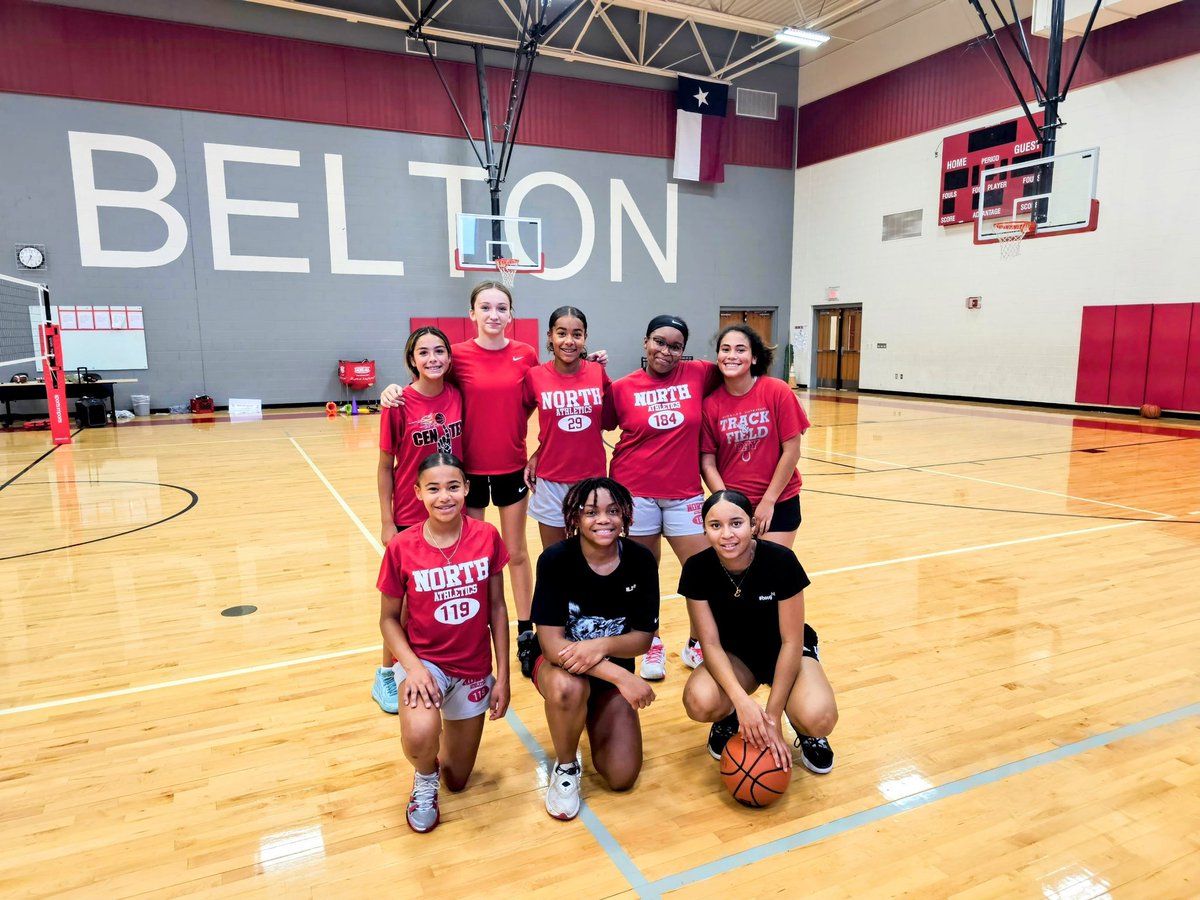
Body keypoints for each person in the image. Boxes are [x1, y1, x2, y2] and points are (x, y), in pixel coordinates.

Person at [381, 282, 540, 679]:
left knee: (516, 552)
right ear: (471, 314)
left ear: (510, 313)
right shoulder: (457, 358)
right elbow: (427, 382)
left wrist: (538, 453)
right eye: (484, 307)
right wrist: (392, 391)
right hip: (464, 475)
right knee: (475, 560)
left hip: (511, 466)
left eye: (501, 307)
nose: (493, 314)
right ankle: (477, 634)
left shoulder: (526, 355)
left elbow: (550, 399)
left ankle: (525, 632)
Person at [377, 452, 511, 834]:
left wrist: (502, 677)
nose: (444, 496)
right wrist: (414, 668)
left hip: (472, 670)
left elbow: (498, 609)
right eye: (433, 488)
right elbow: (388, 620)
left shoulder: (486, 536)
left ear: (467, 488)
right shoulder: (402, 547)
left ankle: (439, 764)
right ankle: (423, 777)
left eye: (453, 486)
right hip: (426, 663)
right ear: (418, 492)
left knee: (457, 778)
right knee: (421, 736)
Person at [678, 489, 837, 776]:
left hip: (787, 651)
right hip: (736, 656)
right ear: (704, 530)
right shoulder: (696, 569)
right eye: (716, 526)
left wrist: (772, 718)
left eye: (736, 523)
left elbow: (791, 641)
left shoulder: (781, 560)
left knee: (819, 716)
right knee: (699, 700)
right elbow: (710, 644)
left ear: (753, 525)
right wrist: (742, 703)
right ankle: (728, 716)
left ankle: (805, 726)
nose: (727, 534)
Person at [531, 477, 659, 820]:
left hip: (604, 674)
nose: (603, 519)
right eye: (591, 512)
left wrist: (599, 645)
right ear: (574, 517)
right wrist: (619, 674)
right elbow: (552, 644)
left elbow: (643, 637)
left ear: (626, 515)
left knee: (621, 777)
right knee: (568, 687)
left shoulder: (641, 560)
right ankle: (566, 767)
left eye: (612, 511)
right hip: (558, 668)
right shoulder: (555, 560)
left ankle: (587, 713)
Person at [604, 314, 722, 680]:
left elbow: (738, 371)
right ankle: (650, 642)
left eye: (675, 346)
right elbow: (599, 423)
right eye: (659, 341)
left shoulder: (700, 373)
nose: (666, 351)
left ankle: (696, 642)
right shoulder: (622, 387)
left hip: (684, 491)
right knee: (642, 572)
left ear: (684, 351)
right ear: (645, 342)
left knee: (702, 571)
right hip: (634, 490)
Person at [372, 326, 465, 714]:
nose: (433, 358)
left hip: (449, 510)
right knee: (403, 603)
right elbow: (384, 467)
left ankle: (436, 662)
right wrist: (386, 520)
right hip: (411, 515)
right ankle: (385, 673)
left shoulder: (458, 395)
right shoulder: (398, 405)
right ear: (412, 360)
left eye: (439, 351)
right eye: (423, 352)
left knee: (439, 594)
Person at [700, 324, 810, 550]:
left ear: (755, 358)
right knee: (740, 578)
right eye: (725, 349)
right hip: (734, 507)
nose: (731, 356)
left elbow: (792, 450)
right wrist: (727, 504)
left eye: (740, 350)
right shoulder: (710, 405)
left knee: (774, 576)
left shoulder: (777, 391)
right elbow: (707, 462)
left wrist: (768, 502)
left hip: (779, 501)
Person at [522, 306, 612, 550]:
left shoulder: (597, 372)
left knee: (593, 555)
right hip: (551, 481)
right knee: (555, 558)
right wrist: (537, 453)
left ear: (585, 337)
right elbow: (521, 418)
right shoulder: (535, 376)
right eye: (561, 333)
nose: (569, 341)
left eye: (577, 334)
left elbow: (608, 421)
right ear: (550, 335)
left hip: (592, 479)